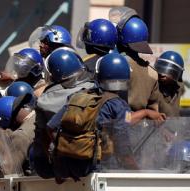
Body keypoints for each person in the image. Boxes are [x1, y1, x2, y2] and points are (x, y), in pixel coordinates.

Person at [47, 53, 166, 181]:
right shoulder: (118, 105)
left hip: (70, 170)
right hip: (100, 170)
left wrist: (69, 151)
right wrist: (137, 172)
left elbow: (51, 127)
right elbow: (123, 147)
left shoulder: (78, 97)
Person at [33, 47, 94, 178]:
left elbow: (42, 137)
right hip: (92, 157)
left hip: (63, 162)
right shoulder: (93, 88)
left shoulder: (44, 100)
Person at [113, 13, 160, 112]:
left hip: (117, 122)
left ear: (120, 38)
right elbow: (153, 110)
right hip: (141, 124)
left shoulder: (114, 65)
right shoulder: (153, 73)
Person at [155, 51, 185, 117]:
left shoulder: (179, 87)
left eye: (169, 71)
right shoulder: (154, 87)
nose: (162, 74)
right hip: (158, 126)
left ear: (176, 74)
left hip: (175, 125)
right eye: (161, 68)